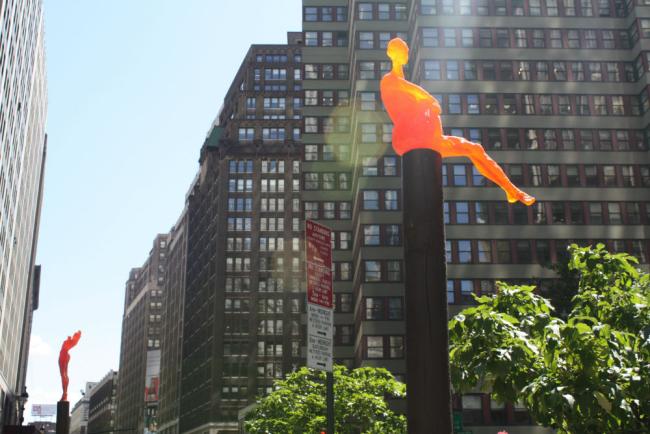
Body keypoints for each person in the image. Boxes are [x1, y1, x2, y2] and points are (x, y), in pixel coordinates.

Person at [380, 37, 535, 206]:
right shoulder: (389, 80)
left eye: (406, 50)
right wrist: (430, 100)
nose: (405, 53)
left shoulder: (404, 84)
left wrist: (429, 104)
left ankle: (510, 190)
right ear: (390, 53)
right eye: (400, 49)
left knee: (474, 149)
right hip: (409, 138)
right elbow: (410, 90)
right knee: (425, 104)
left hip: (431, 140)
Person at [58, 330, 81, 401]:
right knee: (64, 375)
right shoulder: (70, 344)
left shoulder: (68, 346)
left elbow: (72, 342)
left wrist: (74, 336)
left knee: (63, 375)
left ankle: (65, 393)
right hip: (64, 356)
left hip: (63, 356)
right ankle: (65, 393)